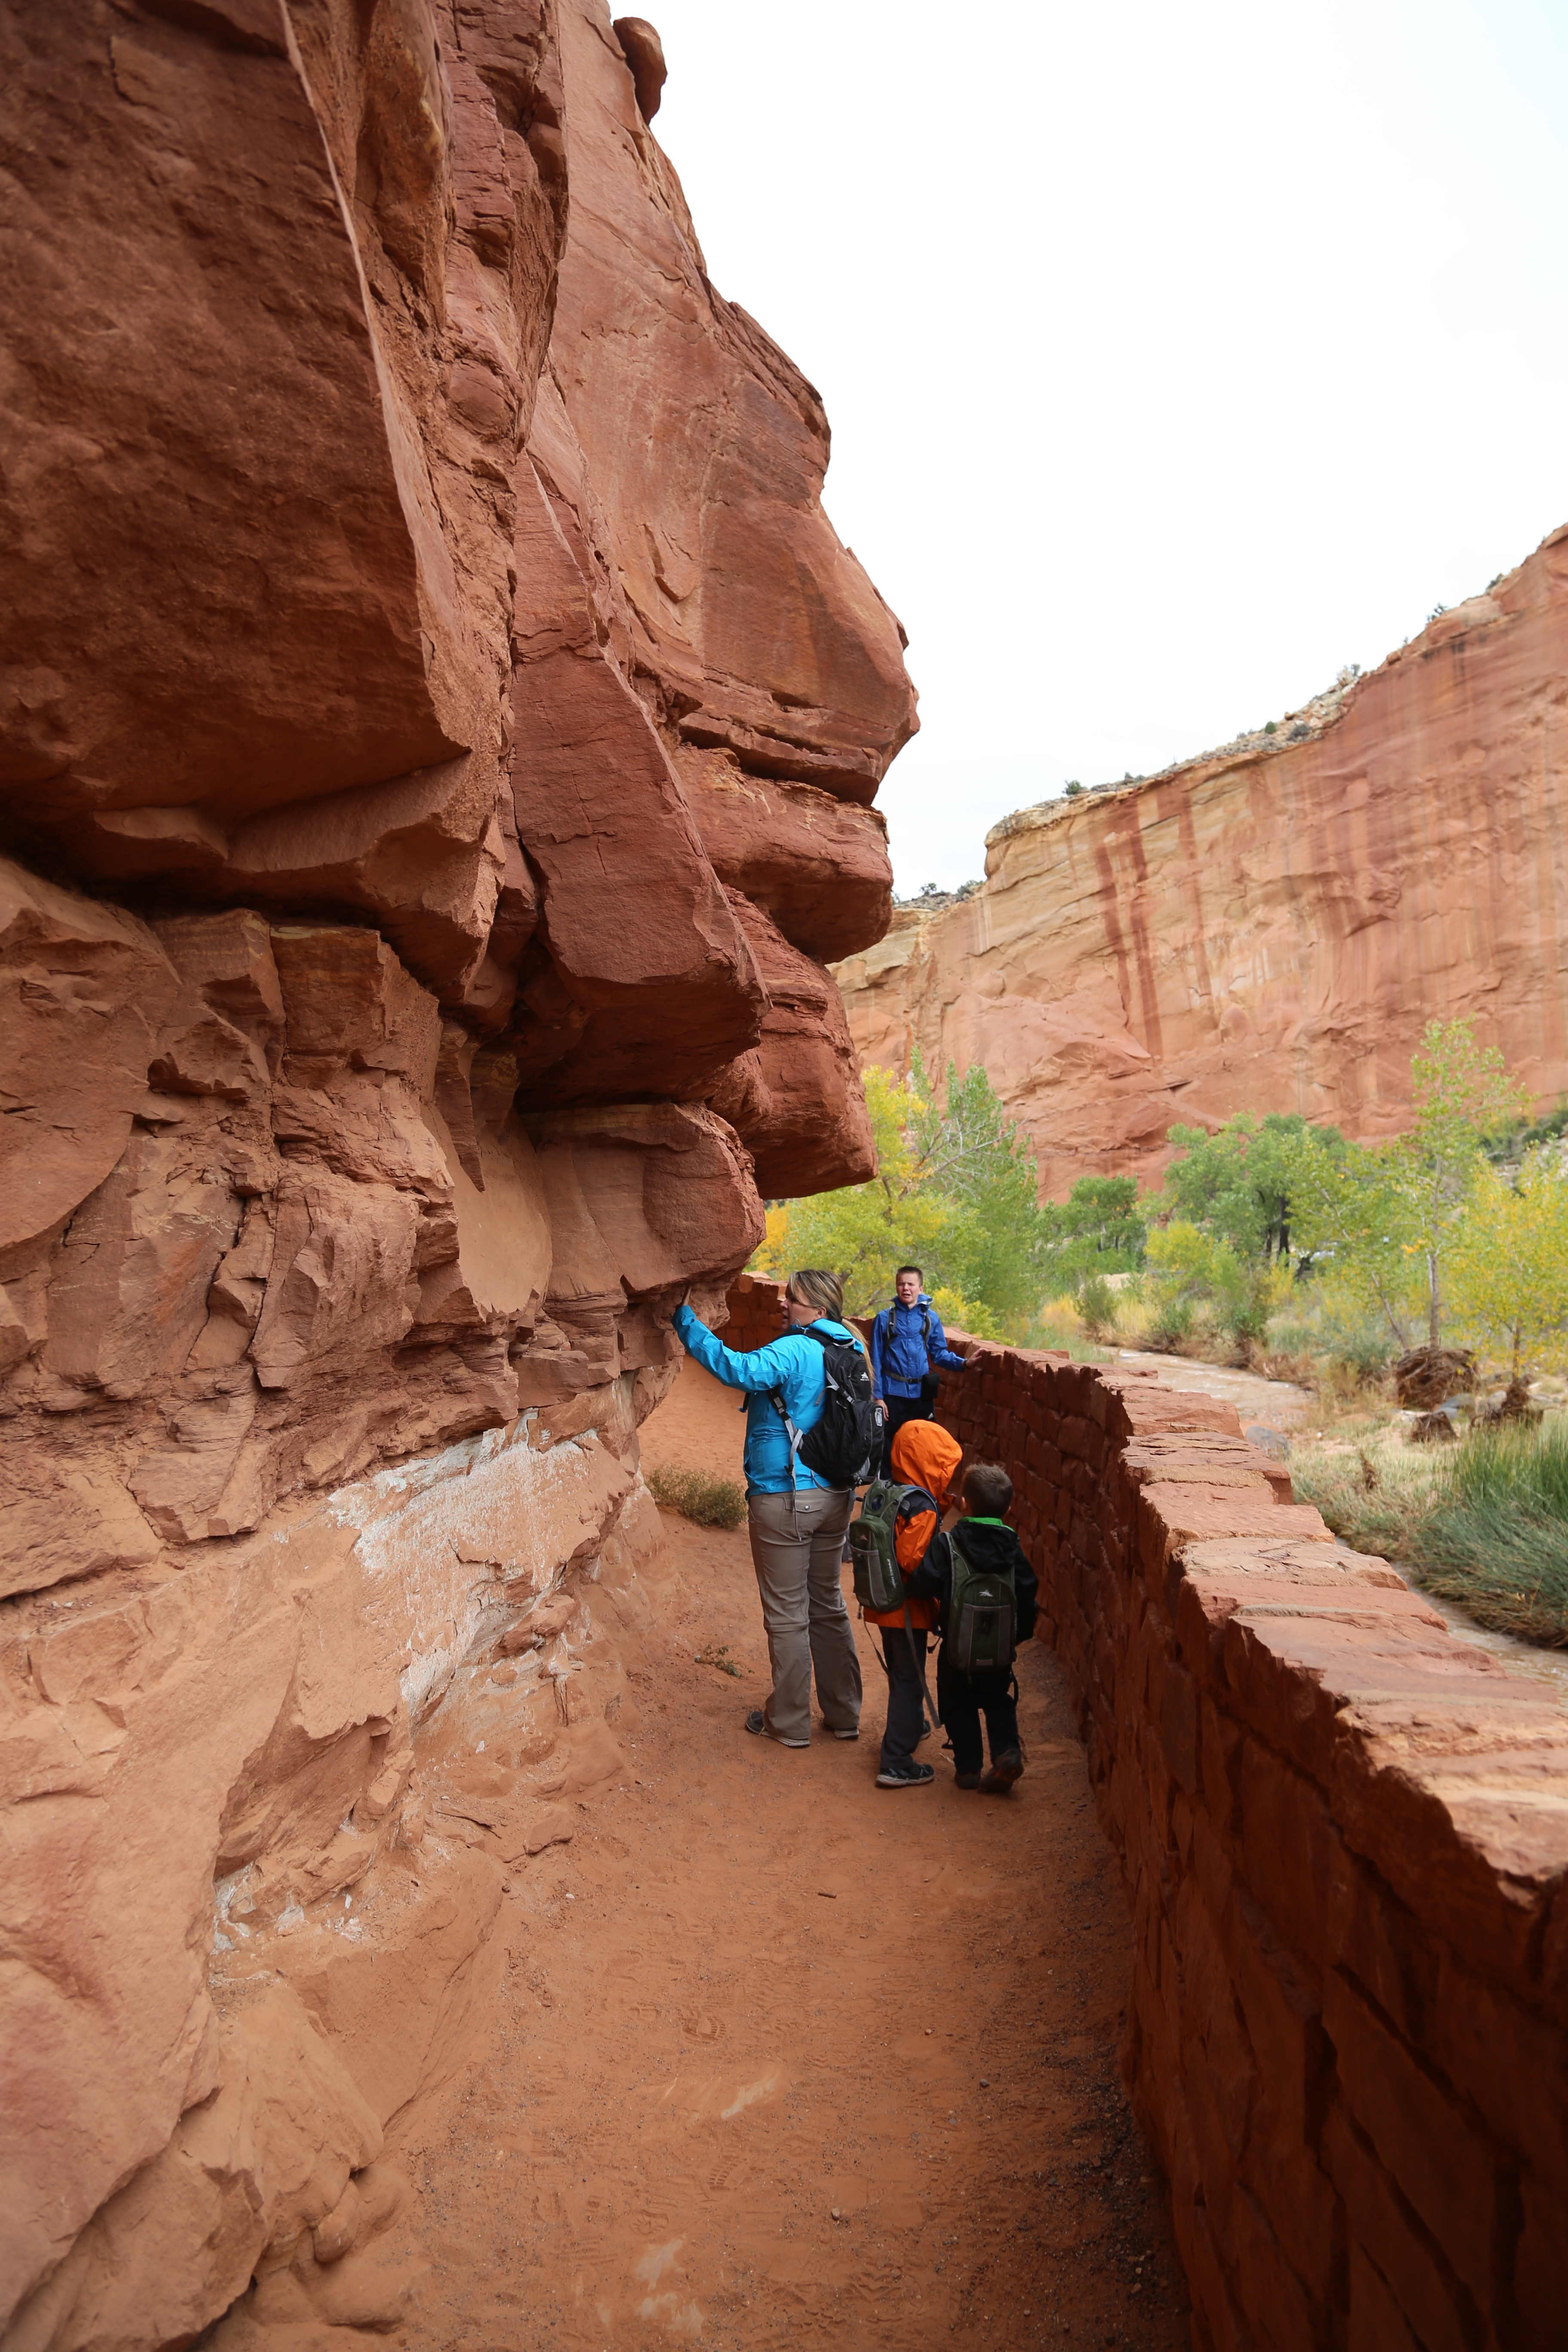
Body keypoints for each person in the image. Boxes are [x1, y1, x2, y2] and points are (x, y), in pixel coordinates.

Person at [669, 1270, 864, 1748]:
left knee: (786, 1612)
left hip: (786, 1494)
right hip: (836, 1498)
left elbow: (737, 1369)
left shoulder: (797, 1347)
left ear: (818, 1309)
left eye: (793, 1300)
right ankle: (844, 1714)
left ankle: (791, 1722)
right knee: (828, 1603)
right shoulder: (852, 1350)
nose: (784, 1305)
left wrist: (683, 1318)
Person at [907, 1461, 1038, 1791]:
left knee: (957, 1704)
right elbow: (1027, 1593)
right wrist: (1013, 1638)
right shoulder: (1013, 1550)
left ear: (963, 1504)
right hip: (998, 1652)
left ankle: (967, 1769)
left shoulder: (947, 1545)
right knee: (998, 1699)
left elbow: (924, 1584)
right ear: (1008, 1508)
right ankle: (1007, 1752)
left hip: (956, 1650)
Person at [859, 1418, 963, 1789]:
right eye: (944, 1468)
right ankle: (897, 1761)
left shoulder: (891, 1490)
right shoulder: (924, 1507)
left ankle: (910, 1724)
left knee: (902, 1674)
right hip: (908, 1610)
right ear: (930, 1465)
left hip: (884, 1604)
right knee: (910, 1681)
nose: (948, 1476)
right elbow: (913, 1561)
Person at [869, 1265, 967, 1476]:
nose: (906, 1288)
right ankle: (887, 1492)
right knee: (889, 1446)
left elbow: (939, 1354)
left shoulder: (930, 1319)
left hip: (921, 1396)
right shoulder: (885, 1319)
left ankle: (919, 1493)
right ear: (896, 1287)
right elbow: (875, 1360)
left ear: (920, 1288)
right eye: (901, 1284)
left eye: (911, 1284)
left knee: (922, 1445)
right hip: (892, 1395)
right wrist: (878, 1397)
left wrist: (964, 1364)